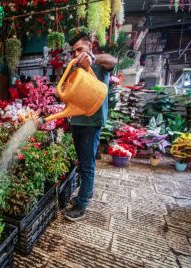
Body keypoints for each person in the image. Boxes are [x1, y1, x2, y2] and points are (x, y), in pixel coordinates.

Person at [64, 32, 117, 221]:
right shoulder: (76, 66)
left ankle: (82, 204)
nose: (76, 54)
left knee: (87, 164)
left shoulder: (99, 64)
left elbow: (112, 60)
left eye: (80, 49)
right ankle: (85, 193)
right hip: (77, 120)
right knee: (81, 161)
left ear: (91, 45)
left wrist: (93, 58)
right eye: (74, 51)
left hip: (91, 122)